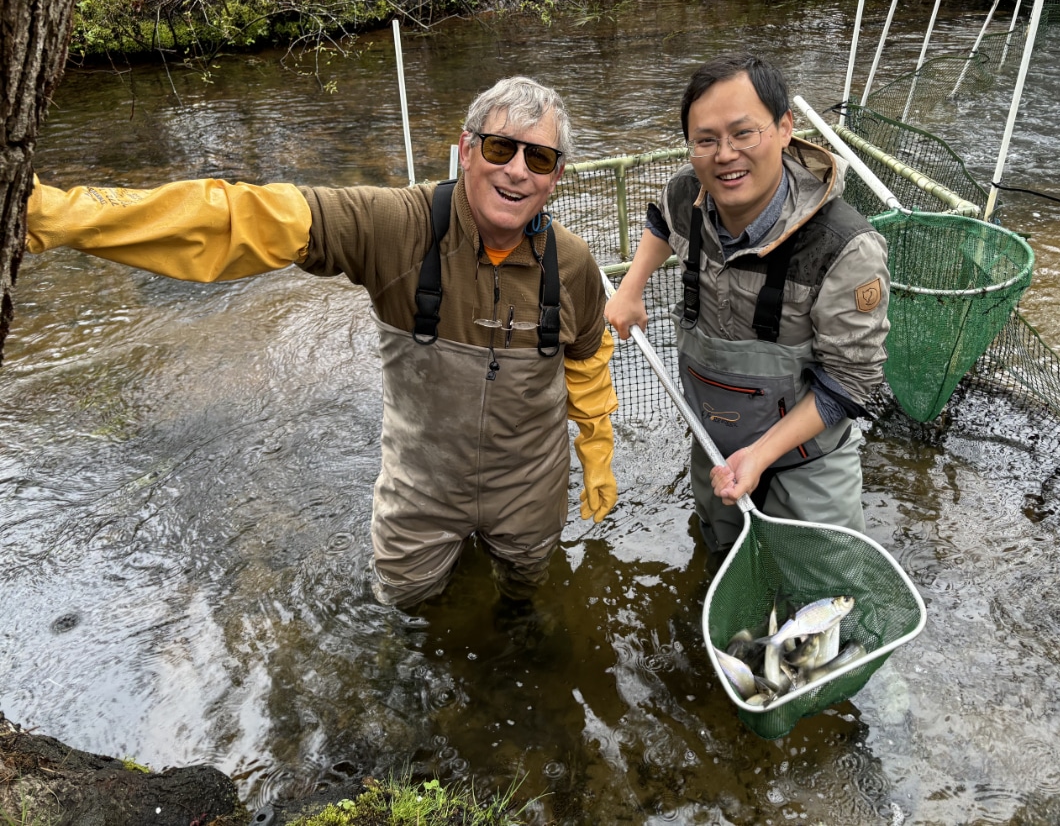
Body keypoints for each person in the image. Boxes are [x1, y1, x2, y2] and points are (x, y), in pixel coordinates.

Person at [24, 75, 619, 608]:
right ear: (466, 150)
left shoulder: (571, 264)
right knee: (406, 606)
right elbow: (248, 217)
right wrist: (64, 217)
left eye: (538, 158)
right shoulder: (397, 228)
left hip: (530, 486)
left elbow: (588, 358)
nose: (517, 170)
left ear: (556, 177)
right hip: (424, 487)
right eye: (500, 148)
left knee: (527, 591)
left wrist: (596, 449)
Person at [604, 52, 888, 554]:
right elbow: (660, 221)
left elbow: (852, 384)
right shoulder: (686, 194)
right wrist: (631, 289)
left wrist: (759, 455)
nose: (725, 155)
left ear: (784, 128)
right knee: (724, 557)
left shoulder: (845, 246)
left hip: (809, 456)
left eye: (743, 134)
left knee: (821, 590)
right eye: (706, 141)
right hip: (714, 442)